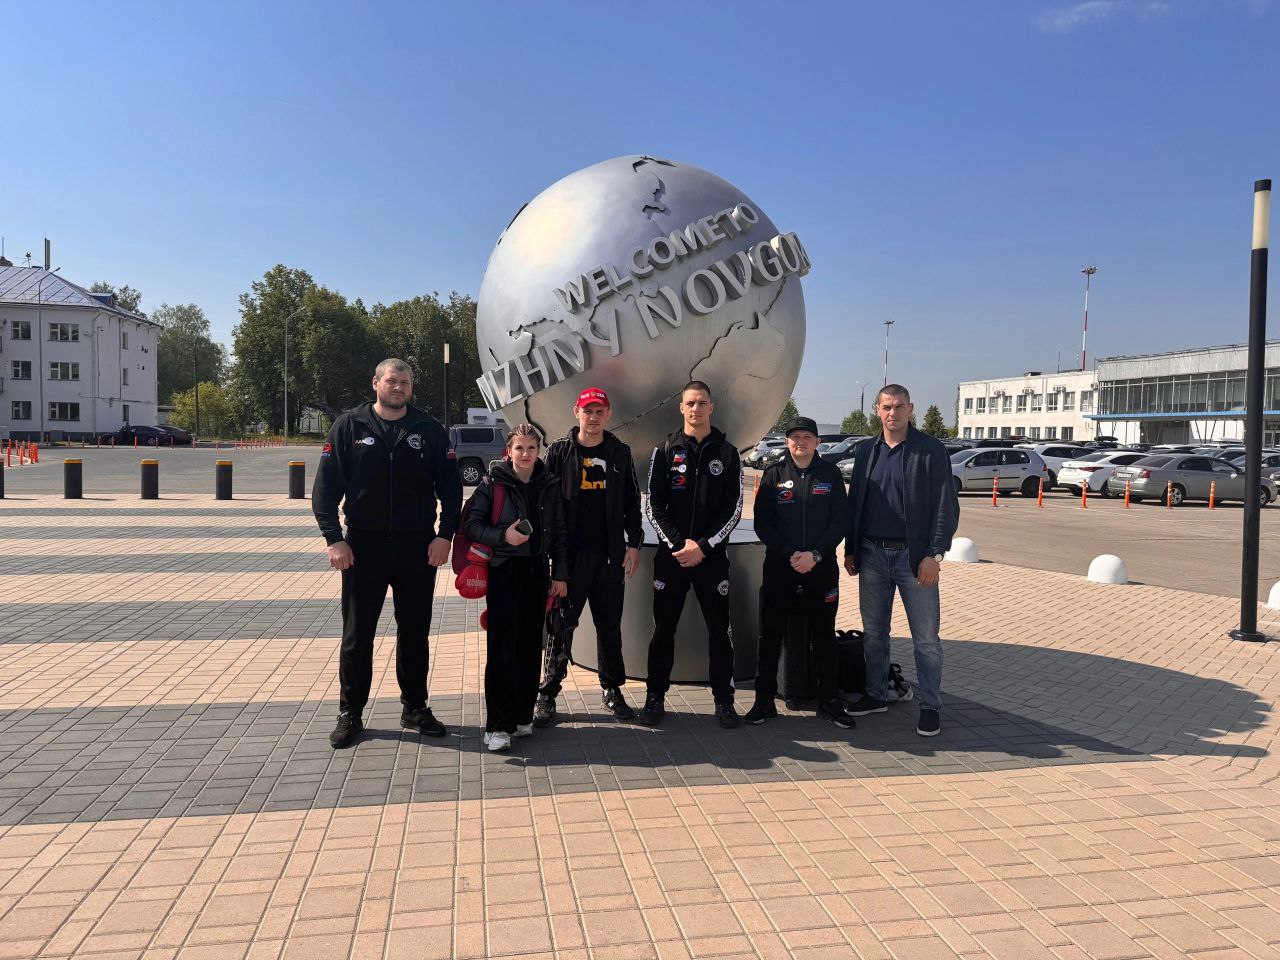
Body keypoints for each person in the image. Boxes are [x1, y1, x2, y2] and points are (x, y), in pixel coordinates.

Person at [313, 358, 463, 749]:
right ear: (376, 383)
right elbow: (325, 489)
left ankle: (415, 708)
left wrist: (444, 536)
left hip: (417, 548)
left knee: (414, 633)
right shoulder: (350, 426)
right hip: (363, 548)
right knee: (357, 634)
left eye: (405, 382)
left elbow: (451, 489)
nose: (399, 388)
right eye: (392, 381)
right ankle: (350, 712)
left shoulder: (428, 429)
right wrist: (334, 538)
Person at [842, 384, 959, 737]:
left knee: (926, 639)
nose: (892, 413)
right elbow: (855, 501)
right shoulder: (866, 450)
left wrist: (934, 554)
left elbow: (945, 506)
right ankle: (876, 694)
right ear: (877, 410)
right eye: (887, 407)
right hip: (872, 555)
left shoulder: (929, 450)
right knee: (874, 634)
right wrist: (851, 549)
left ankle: (930, 706)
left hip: (914, 558)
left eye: (899, 406)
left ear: (911, 409)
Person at [534, 387, 643, 726]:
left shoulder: (619, 452)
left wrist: (634, 543)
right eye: (588, 411)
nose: (593, 417)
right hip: (570, 559)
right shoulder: (559, 451)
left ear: (607, 414)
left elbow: (632, 501)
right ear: (576, 412)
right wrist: (552, 557)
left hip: (609, 557)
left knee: (609, 626)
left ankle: (612, 689)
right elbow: (545, 503)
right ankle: (547, 693)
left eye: (599, 411)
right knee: (560, 626)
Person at [640, 380, 744, 728]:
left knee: (720, 632)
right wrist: (678, 545)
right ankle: (655, 698)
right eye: (690, 403)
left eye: (702, 403)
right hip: (672, 560)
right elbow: (653, 506)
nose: (696, 409)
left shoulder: (728, 453)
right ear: (681, 408)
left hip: (711, 560)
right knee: (662, 631)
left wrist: (703, 545)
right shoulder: (664, 450)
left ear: (711, 407)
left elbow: (733, 509)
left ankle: (724, 701)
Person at [463, 424, 569, 752]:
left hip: (536, 570)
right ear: (508, 451)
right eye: (519, 448)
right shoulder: (492, 483)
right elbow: (471, 526)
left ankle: (522, 716)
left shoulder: (549, 484)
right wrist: (503, 536)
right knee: (502, 649)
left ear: (539, 451)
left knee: (528, 647)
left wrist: (560, 574)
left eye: (531, 448)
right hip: (504, 570)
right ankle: (497, 726)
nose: (525, 454)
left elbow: (560, 533)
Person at [748, 416, 857, 728]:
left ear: (817, 442)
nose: (801, 442)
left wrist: (815, 555)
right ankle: (764, 701)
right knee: (770, 635)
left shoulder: (830, 474)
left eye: (807, 437)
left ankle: (830, 702)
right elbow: (763, 523)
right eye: (795, 437)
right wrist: (790, 554)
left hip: (821, 568)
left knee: (824, 635)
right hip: (780, 567)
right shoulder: (773, 474)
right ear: (787, 442)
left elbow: (840, 520)